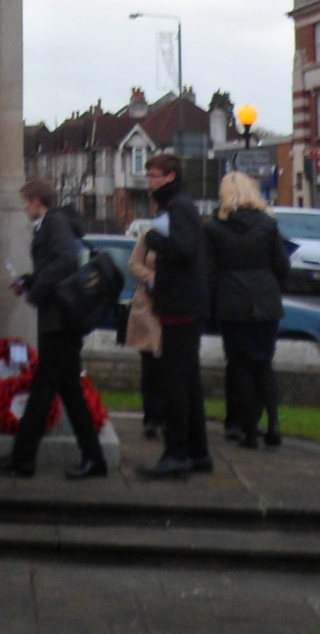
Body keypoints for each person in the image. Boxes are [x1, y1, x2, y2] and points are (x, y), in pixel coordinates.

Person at [0, 180, 108, 481]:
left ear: (36, 200)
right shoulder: (52, 223)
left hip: (59, 321)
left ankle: (23, 458)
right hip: (59, 319)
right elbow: (54, 265)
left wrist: (37, 290)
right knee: (69, 391)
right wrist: (30, 281)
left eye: (26, 201)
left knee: (44, 389)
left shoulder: (53, 221)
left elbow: (66, 261)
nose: (24, 207)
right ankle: (93, 458)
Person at [137, 151, 212, 481]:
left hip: (180, 305)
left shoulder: (178, 206)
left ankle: (177, 453)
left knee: (176, 382)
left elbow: (183, 248)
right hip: (182, 303)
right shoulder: (179, 204)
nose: (149, 182)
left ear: (169, 177)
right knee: (189, 381)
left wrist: (153, 238)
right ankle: (198, 453)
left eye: (153, 176)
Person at [203, 171, 288, 450]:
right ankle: (273, 422)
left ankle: (248, 430)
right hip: (266, 302)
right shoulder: (267, 224)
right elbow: (283, 265)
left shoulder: (215, 228)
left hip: (232, 303)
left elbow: (209, 271)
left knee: (240, 367)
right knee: (264, 363)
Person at [123, 155, 173, 440]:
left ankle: (166, 415)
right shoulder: (148, 234)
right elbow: (134, 264)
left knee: (167, 367)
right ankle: (151, 418)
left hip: (171, 307)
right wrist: (150, 276)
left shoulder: (181, 236)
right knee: (149, 368)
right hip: (148, 307)